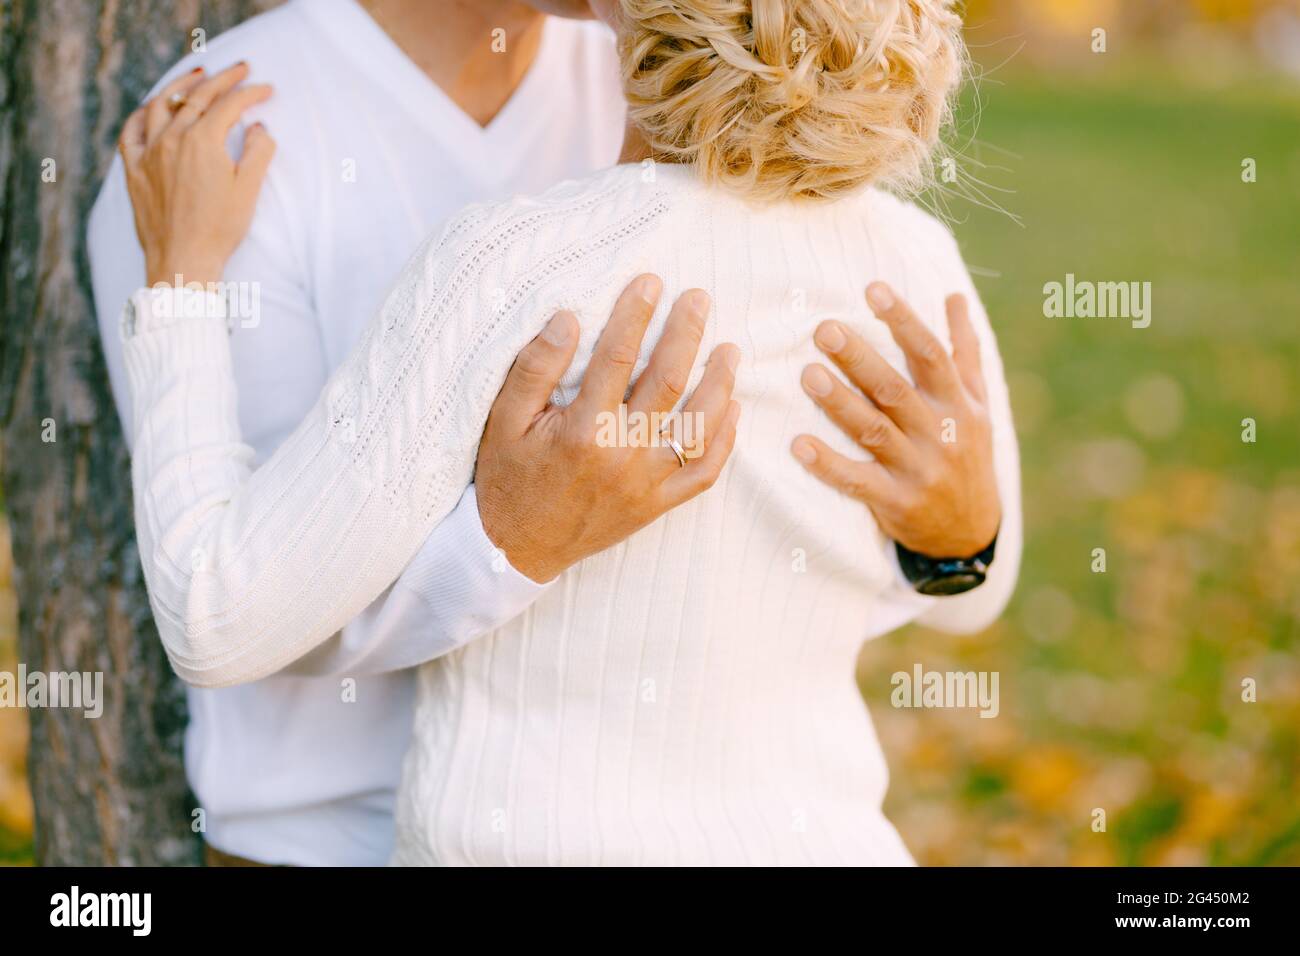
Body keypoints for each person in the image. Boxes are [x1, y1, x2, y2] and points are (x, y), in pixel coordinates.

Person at [99, 0, 1019, 866]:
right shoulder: (909, 259)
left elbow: (220, 615)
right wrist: (504, 542)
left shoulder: (514, 261)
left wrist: (179, 284)